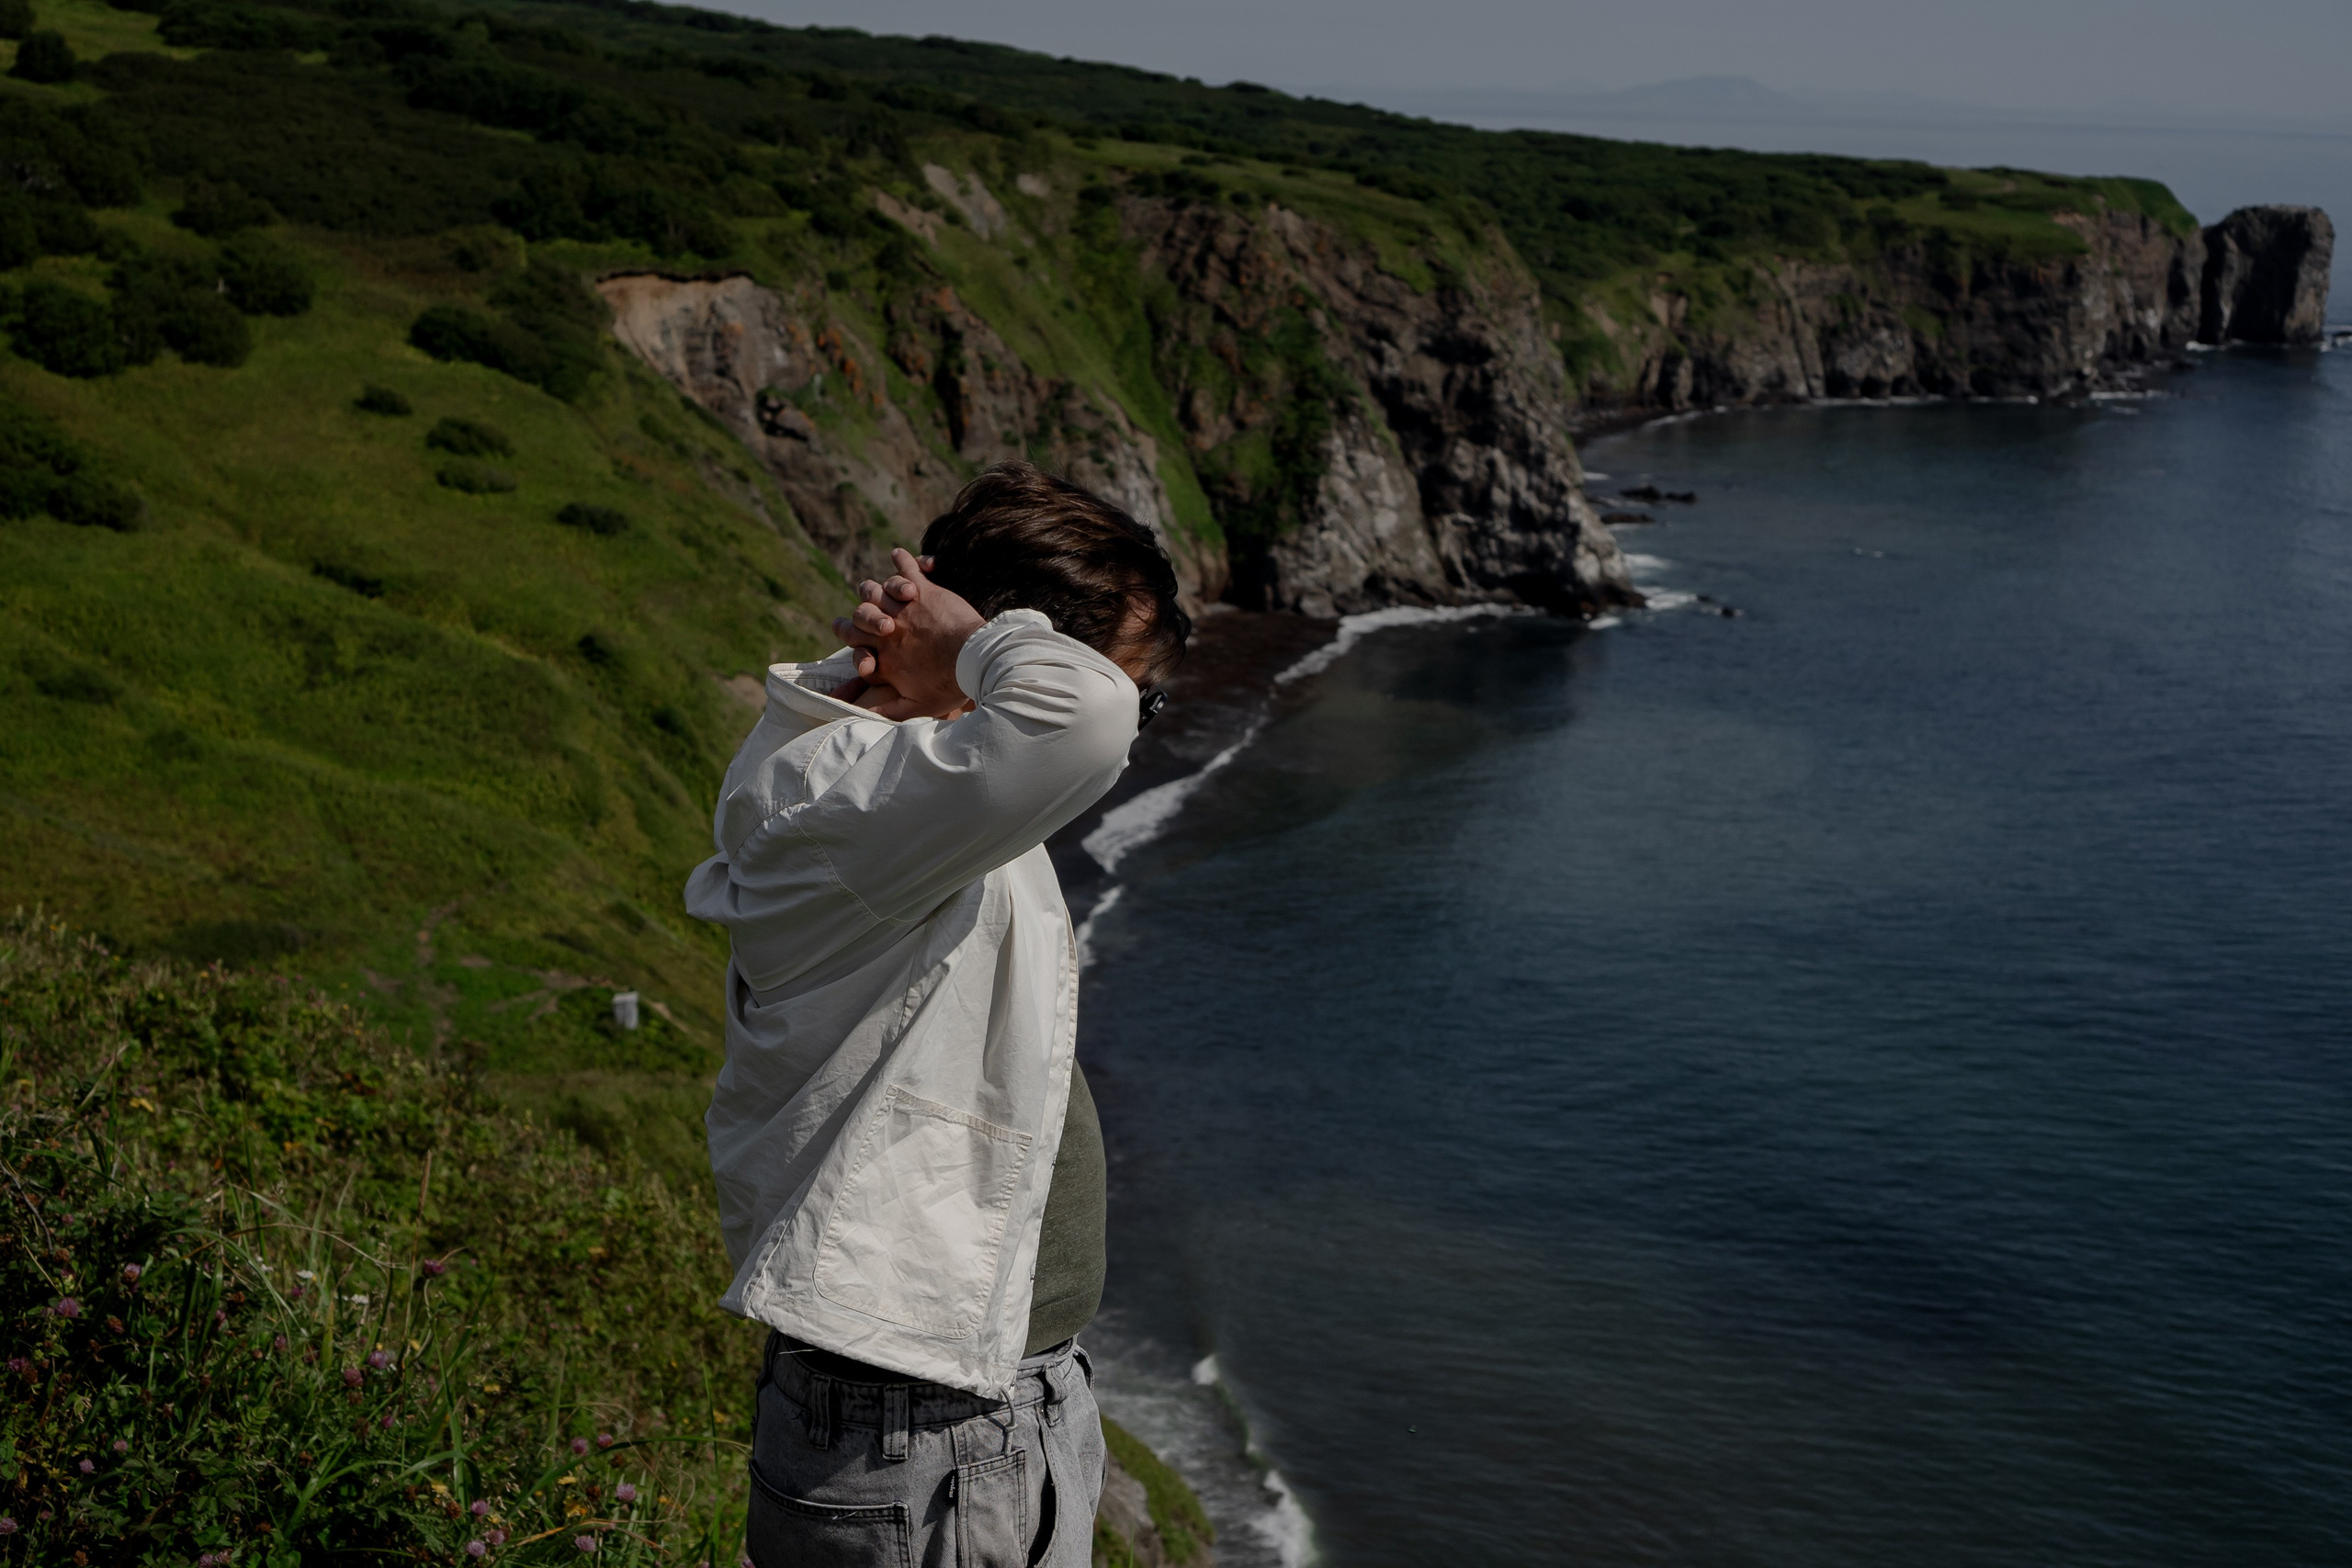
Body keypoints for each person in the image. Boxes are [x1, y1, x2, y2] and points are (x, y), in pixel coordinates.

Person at [684, 460, 1189, 1568]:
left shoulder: (913, 790)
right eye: (1146, 693)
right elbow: (1083, 717)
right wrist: (966, 645)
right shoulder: (844, 803)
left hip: (987, 1397)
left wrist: (946, 652)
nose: (1139, 726)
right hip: (924, 1431)